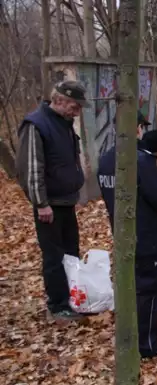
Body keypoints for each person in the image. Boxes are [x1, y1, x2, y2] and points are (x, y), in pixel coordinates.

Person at [97, 128, 157, 358]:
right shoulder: (140, 161)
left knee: (133, 287)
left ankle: (137, 333)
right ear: (136, 128)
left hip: (123, 234)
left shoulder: (106, 159)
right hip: (147, 234)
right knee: (149, 289)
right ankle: (147, 343)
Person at [16, 81, 88, 321]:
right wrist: (41, 203)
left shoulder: (64, 123)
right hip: (49, 205)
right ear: (59, 100)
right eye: (75, 106)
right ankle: (57, 306)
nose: (77, 112)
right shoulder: (36, 125)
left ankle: (73, 297)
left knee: (71, 253)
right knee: (54, 257)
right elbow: (32, 168)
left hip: (66, 201)